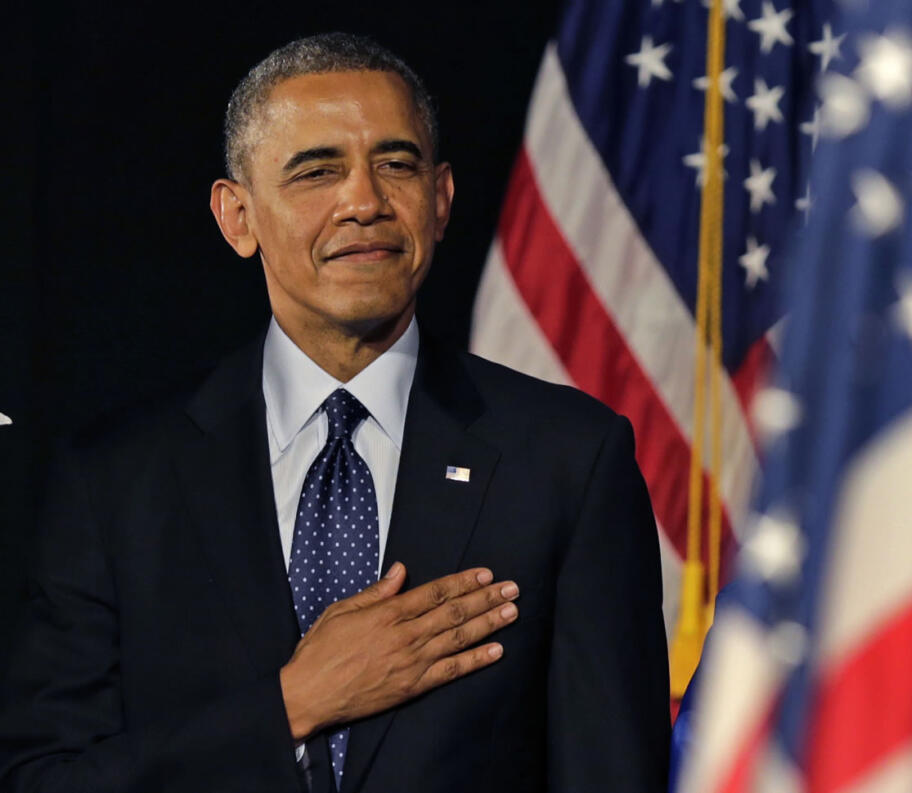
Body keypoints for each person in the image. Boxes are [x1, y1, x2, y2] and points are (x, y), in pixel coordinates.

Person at [0, 33, 671, 793]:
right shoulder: (116, 480)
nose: (365, 201)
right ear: (238, 217)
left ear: (441, 200)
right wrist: (290, 705)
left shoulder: (567, 460)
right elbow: (42, 780)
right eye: (318, 170)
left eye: (396, 164)